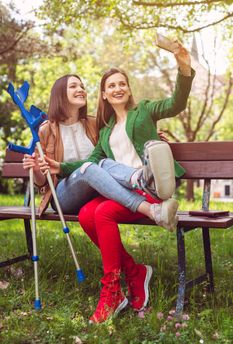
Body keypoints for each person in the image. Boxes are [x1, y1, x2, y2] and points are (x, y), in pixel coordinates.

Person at [43, 39, 195, 323]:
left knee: (101, 212)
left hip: (152, 188)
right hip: (122, 189)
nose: (117, 88)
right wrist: (61, 166)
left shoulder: (145, 111)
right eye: (111, 85)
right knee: (88, 213)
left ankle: (112, 290)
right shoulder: (105, 132)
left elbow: (176, 103)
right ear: (103, 94)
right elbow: (89, 164)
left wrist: (183, 66)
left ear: (128, 88)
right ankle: (135, 272)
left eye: (121, 83)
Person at [23, 74, 172, 226]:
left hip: (100, 191)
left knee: (102, 163)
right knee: (90, 168)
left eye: (82, 86)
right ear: (60, 93)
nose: (80, 90)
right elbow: (42, 183)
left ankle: (143, 183)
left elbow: (116, 138)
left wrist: (149, 135)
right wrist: (35, 169)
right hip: (63, 196)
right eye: (73, 86)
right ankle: (148, 206)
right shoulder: (46, 130)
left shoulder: (95, 123)